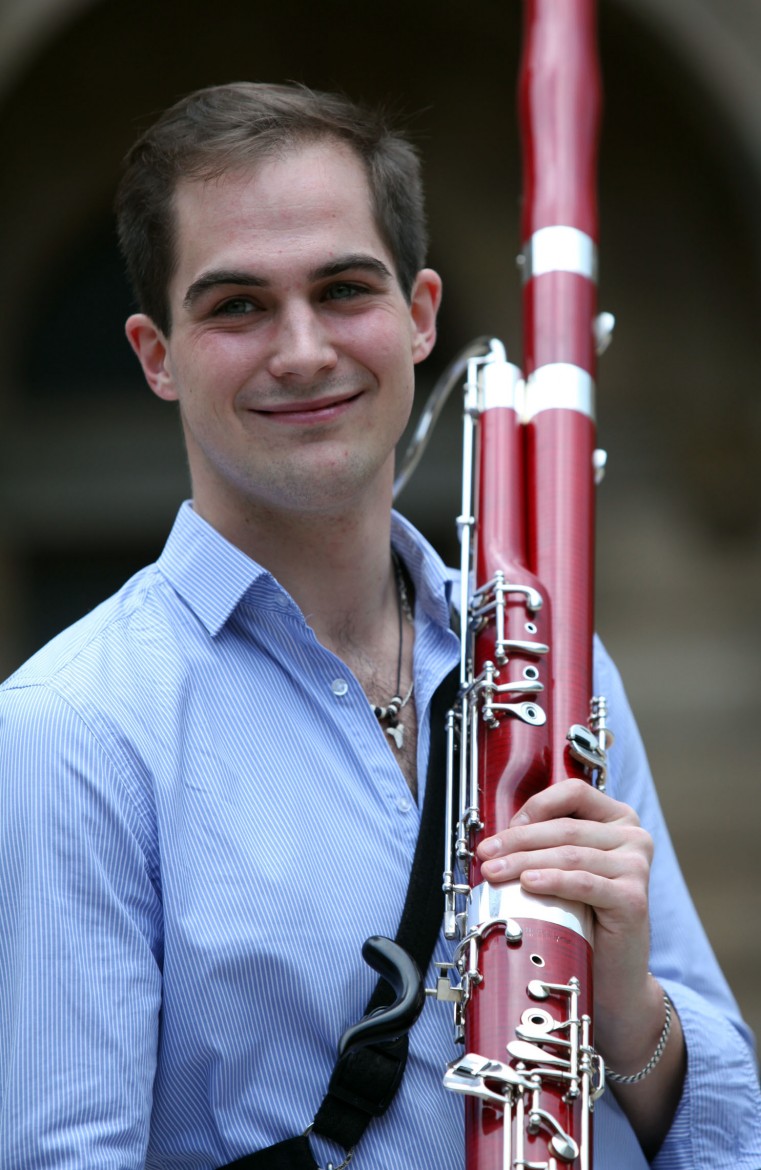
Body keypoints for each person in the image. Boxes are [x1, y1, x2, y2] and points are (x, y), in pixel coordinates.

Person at [0, 82, 759, 1170]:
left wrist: (630, 1007)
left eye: (344, 289)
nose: (303, 349)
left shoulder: (557, 663)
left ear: (420, 314)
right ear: (156, 354)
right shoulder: (69, 730)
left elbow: (730, 1140)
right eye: (237, 306)